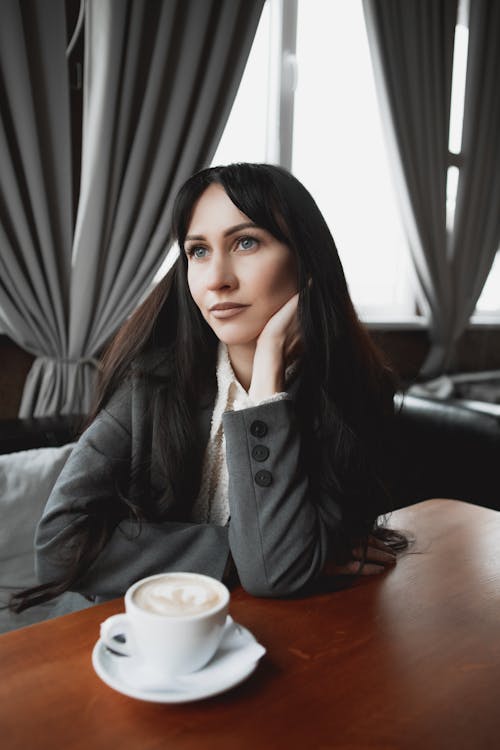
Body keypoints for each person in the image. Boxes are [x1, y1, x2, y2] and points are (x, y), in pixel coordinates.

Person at [12, 162, 406, 614]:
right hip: (140, 635)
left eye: (245, 242)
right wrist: (243, 552)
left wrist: (267, 385)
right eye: (198, 251)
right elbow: (60, 545)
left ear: (306, 259)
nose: (217, 277)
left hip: (282, 640)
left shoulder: (354, 393)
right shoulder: (152, 383)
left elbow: (274, 577)